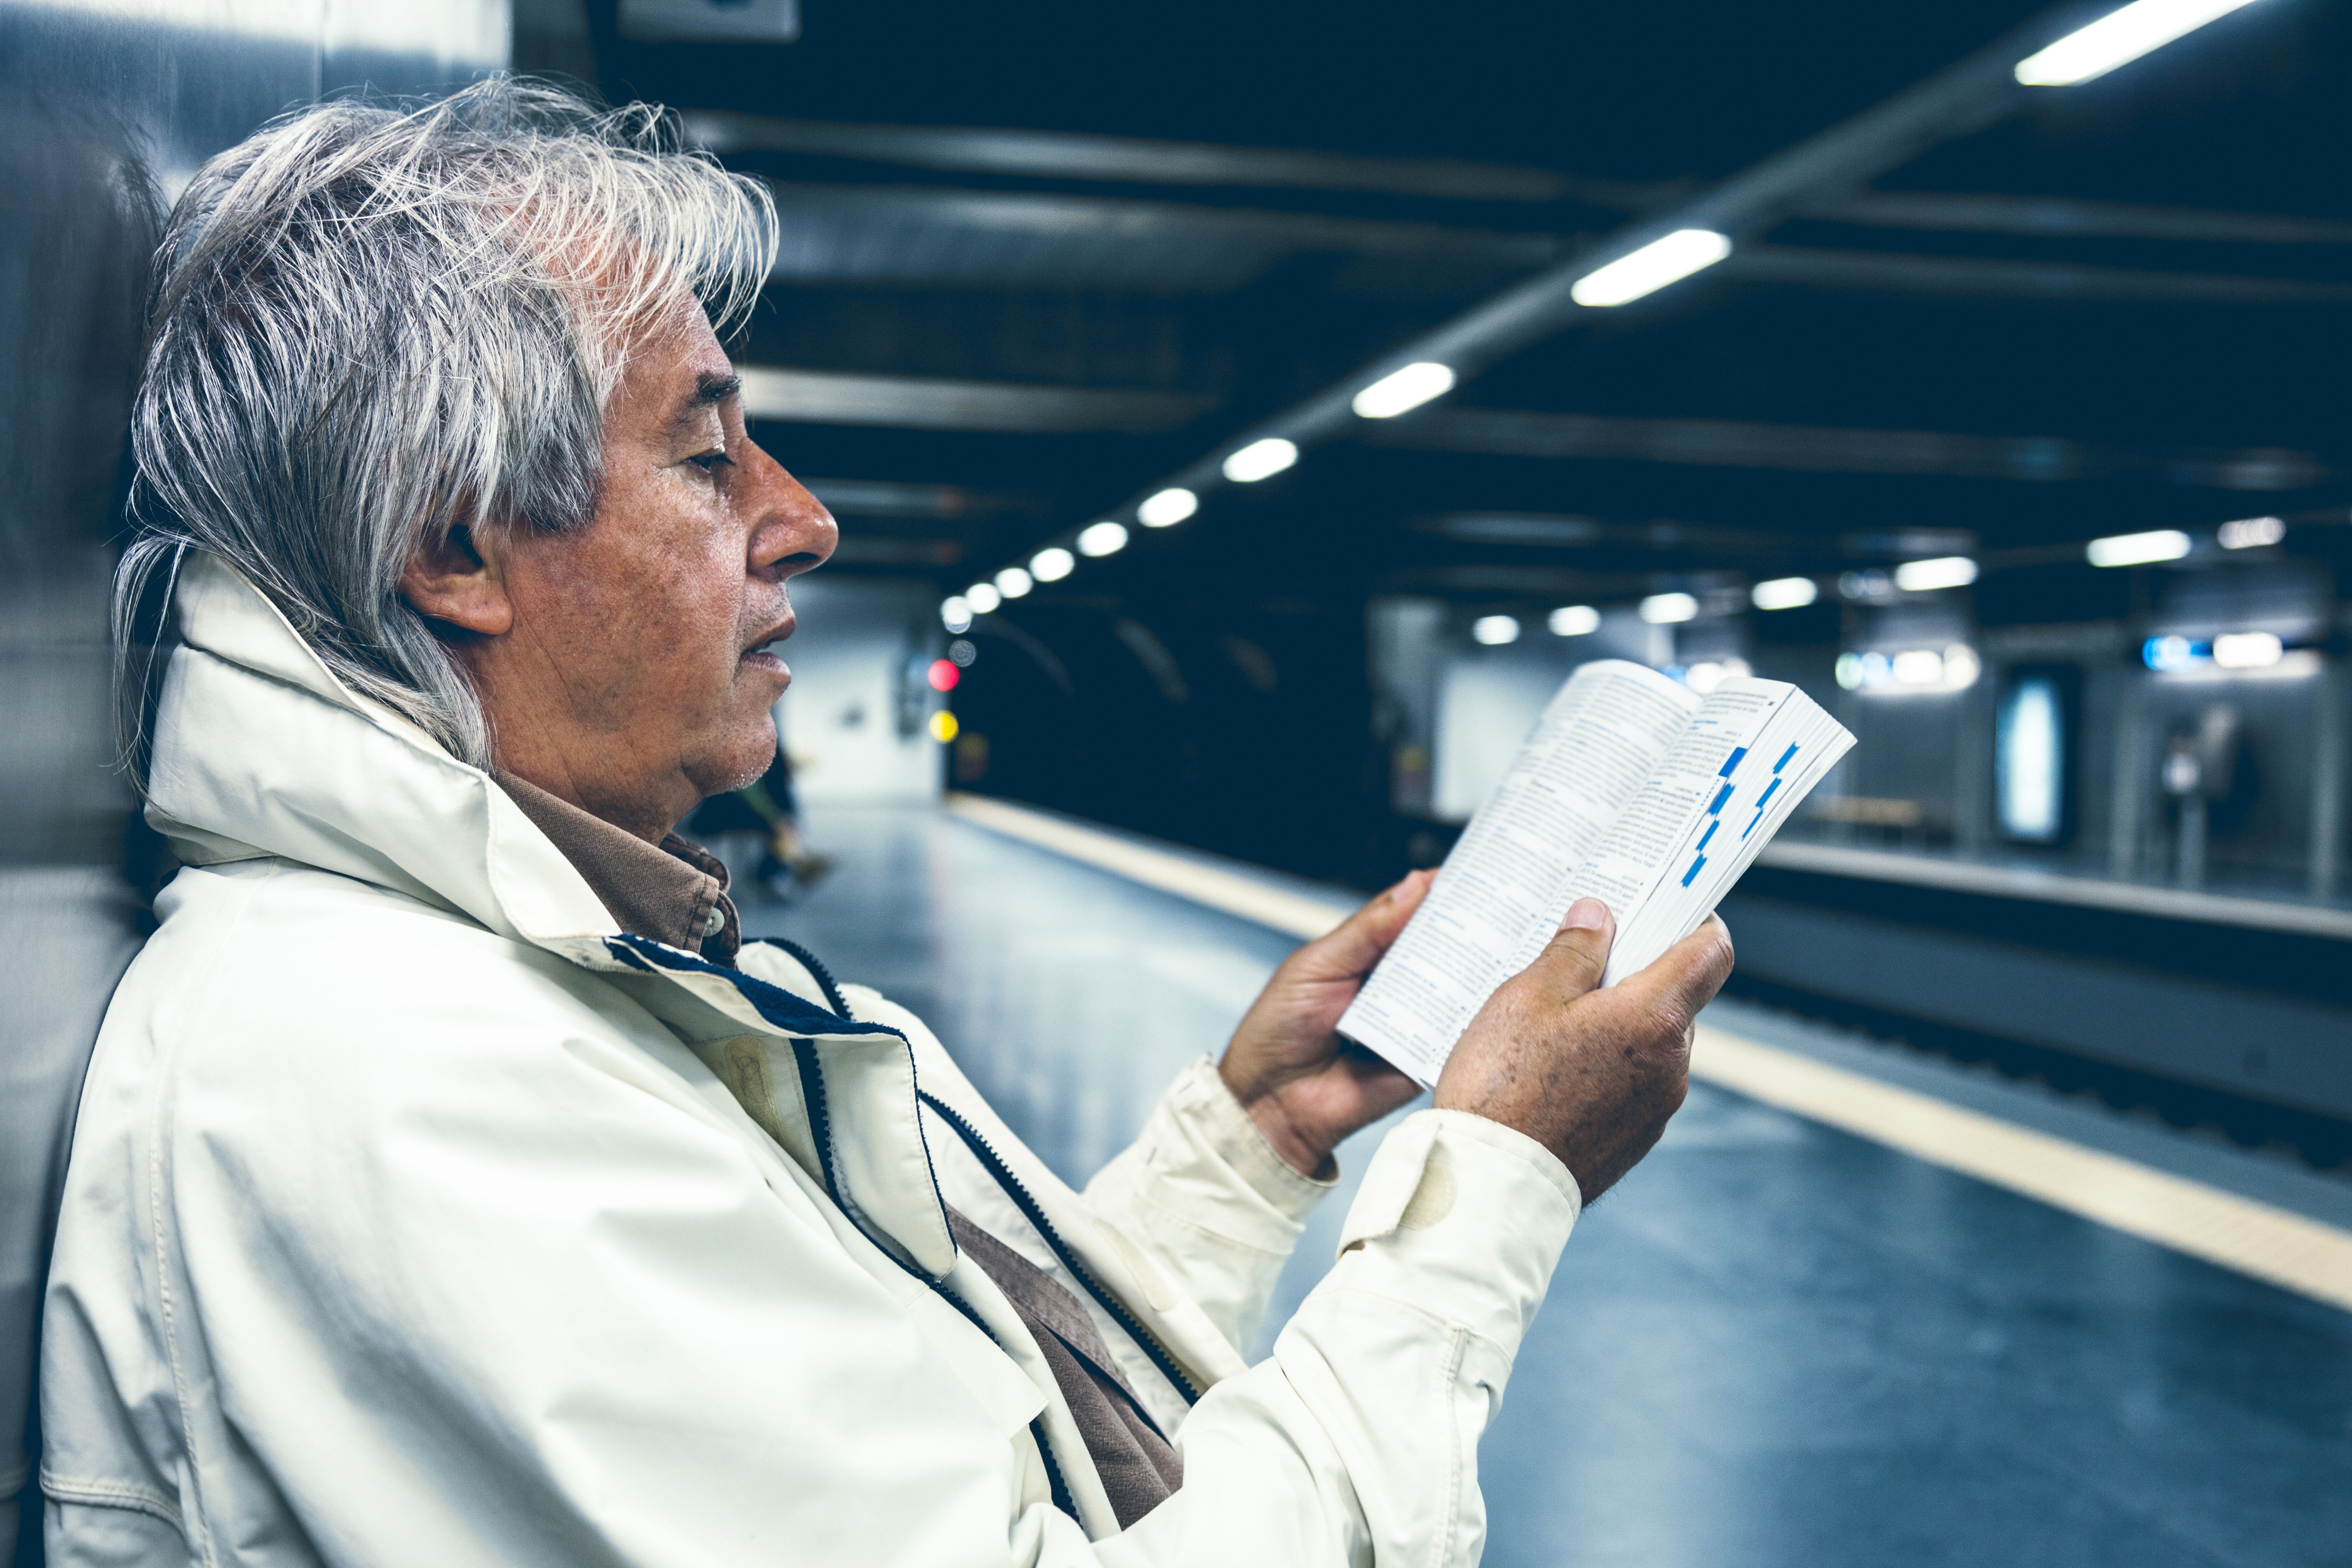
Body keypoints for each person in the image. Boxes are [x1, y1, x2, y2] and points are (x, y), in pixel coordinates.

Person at [40, 81, 1733, 1566]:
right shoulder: (403, 1091)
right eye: (709, 459)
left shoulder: (507, 980)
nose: (806, 520)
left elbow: (927, 1445)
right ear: (461, 553)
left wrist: (1251, 1141)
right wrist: (1489, 1198)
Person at [686, 740, 834, 900]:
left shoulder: (765, 762)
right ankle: (787, 867)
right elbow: (749, 794)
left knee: (778, 827)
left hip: (729, 812)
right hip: (714, 816)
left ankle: (786, 866)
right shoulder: (755, 758)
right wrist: (776, 820)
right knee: (775, 828)